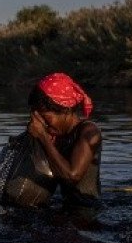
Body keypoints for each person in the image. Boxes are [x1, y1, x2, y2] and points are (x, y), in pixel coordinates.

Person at [26, 72, 102, 209]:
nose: (42, 123)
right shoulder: (54, 136)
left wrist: (43, 137)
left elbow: (72, 176)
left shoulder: (89, 132)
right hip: (65, 206)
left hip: (87, 210)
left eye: (45, 117)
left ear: (66, 110)